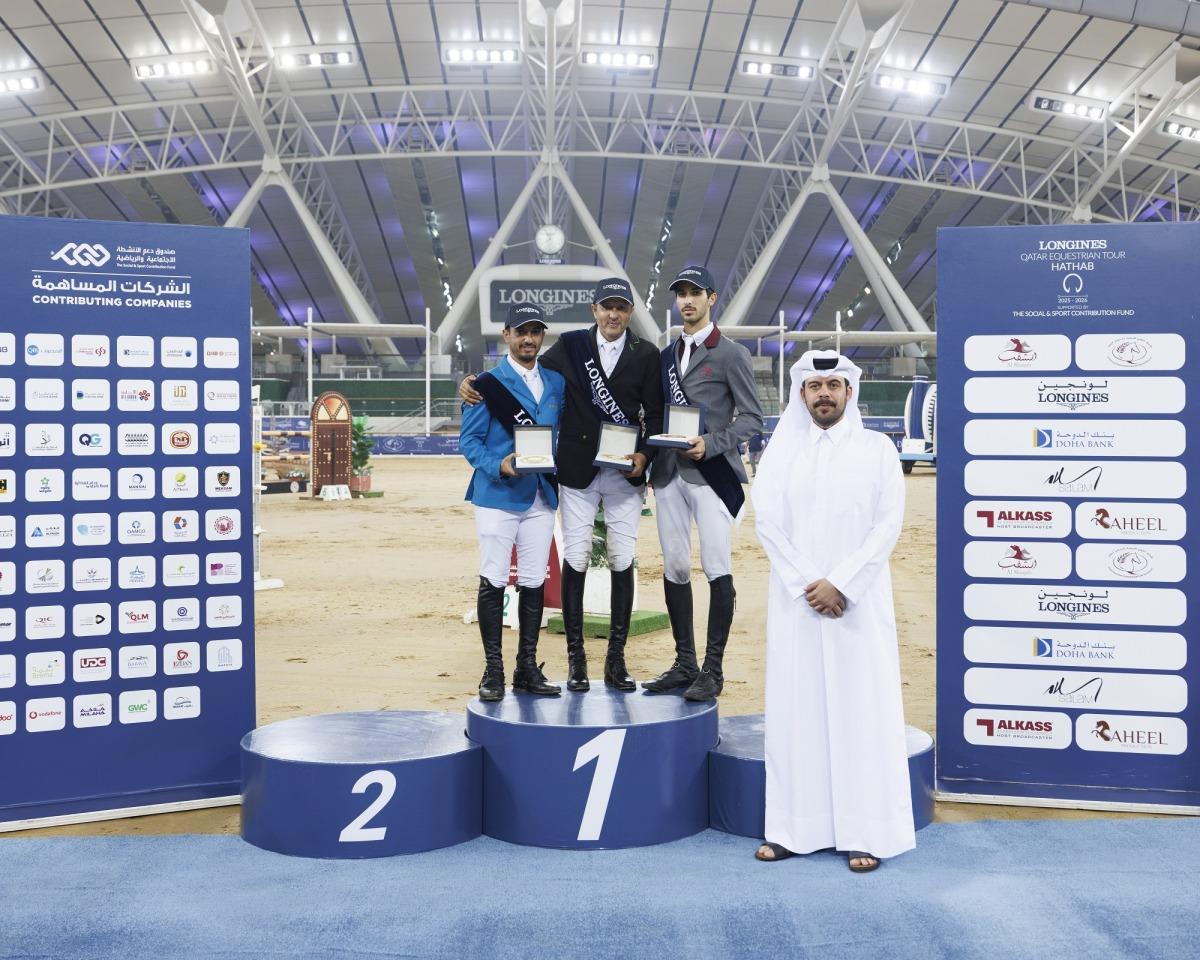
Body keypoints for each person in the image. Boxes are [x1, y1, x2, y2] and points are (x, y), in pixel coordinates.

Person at [751, 349, 914, 873]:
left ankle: (867, 832)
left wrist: (841, 583)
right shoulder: (781, 454)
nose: (824, 394)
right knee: (797, 714)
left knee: (861, 713)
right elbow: (767, 523)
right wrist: (810, 584)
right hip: (798, 604)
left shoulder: (878, 450)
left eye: (833, 385)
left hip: (856, 607)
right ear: (801, 394)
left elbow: (887, 525)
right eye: (815, 386)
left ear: (849, 391)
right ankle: (794, 831)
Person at [461, 278, 663, 692]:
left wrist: (645, 455)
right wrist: (468, 384)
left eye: (620, 307)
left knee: (547, 576)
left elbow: (654, 414)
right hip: (542, 483)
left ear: (630, 312)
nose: (529, 339)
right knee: (518, 572)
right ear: (594, 309)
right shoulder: (565, 349)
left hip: (576, 485)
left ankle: (577, 663)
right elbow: (473, 433)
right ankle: (533, 666)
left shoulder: (635, 357)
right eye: (521, 331)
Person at [642, 265, 763, 702]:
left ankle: (713, 669)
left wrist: (710, 443)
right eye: (681, 294)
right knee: (675, 566)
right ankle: (684, 663)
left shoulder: (731, 354)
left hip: (710, 474)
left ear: (711, 298)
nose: (687, 301)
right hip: (668, 474)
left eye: (695, 293)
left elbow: (752, 418)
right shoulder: (665, 357)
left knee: (716, 566)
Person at [459, 303, 566, 702]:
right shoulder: (485, 384)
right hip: (498, 496)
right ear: (506, 335)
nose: (528, 339)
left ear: (542, 337)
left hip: (541, 496)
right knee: (494, 579)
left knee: (535, 581)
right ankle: (493, 670)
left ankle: (526, 668)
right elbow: (469, 441)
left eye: (535, 332)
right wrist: (498, 465)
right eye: (521, 331)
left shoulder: (556, 383)